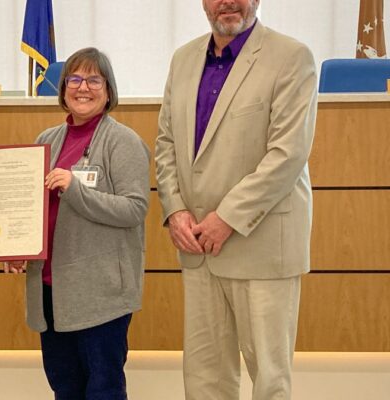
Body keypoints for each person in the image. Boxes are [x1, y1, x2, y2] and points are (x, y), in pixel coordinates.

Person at [155, 1, 317, 399]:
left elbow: (288, 154)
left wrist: (225, 218)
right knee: (205, 377)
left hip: (259, 244)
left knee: (268, 379)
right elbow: (166, 143)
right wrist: (174, 209)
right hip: (196, 245)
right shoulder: (183, 59)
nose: (228, 2)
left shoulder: (291, 57)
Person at [5, 47, 150, 400]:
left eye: (94, 79)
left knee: (103, 389)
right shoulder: (46, 140)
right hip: (51, 291)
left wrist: (74, 189)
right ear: (63, 87)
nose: (83, 87)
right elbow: (32, 207)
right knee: (64, 387)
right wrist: (16, 248)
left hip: (100, 296)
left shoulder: (124, 142)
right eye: (74, 78)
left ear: (108, 89)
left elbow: (134, 210)